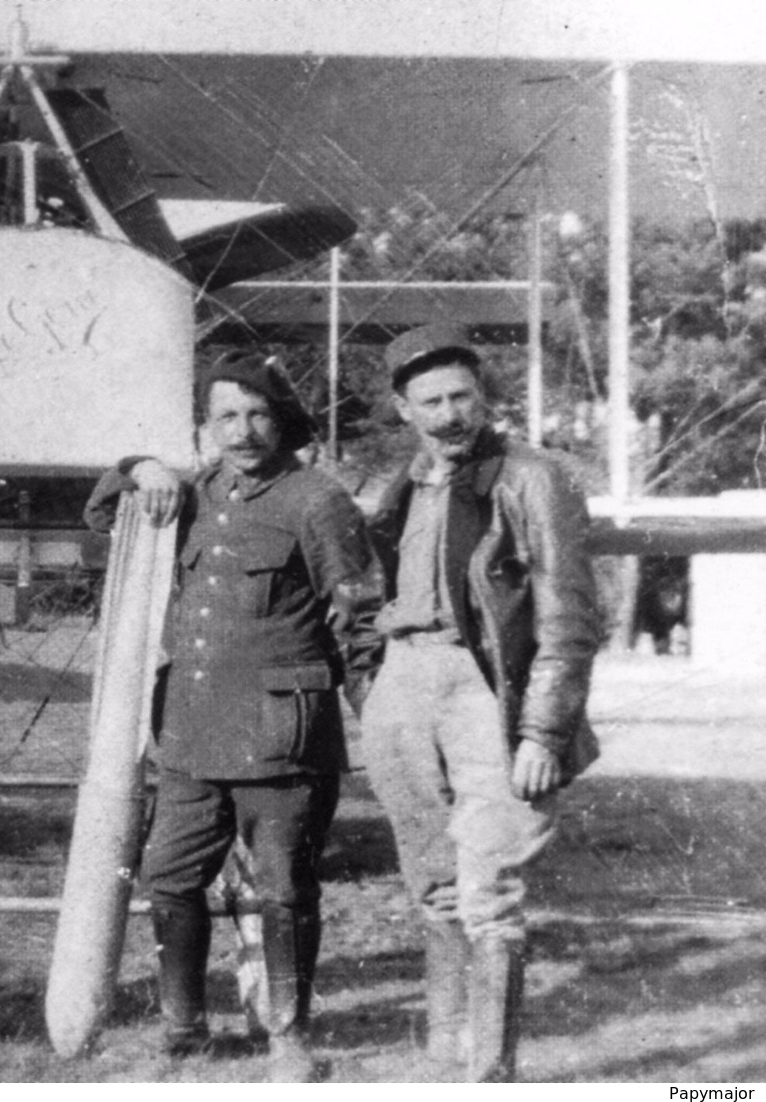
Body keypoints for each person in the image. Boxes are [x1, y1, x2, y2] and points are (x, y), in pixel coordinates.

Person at [84, 351, 381, 1081]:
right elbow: (100, 516)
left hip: (281, 735)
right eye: (226, 416)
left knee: (283, 889)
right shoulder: (191, 492)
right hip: (188, 730)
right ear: (205, 426)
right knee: (170, 880)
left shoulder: (316, 499)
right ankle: (182, 1031)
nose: (242, 431)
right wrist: (136, 467)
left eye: (257, 414)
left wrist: (381, 714)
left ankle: (287, 1037)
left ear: (281, 421)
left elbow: (360, 618)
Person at [364, 323, 599, 1082]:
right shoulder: (402, 482)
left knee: (486, 884)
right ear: (404, 409)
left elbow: (567, 616)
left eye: (460, 395)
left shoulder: (532, 476)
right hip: (402, 682)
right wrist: (371, 683)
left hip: (486, 689)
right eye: (428, 401)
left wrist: (542, 732)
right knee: (429, 882)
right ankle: (443, 1058)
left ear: (482, 395)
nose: (448, 414)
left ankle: (489, 1074)